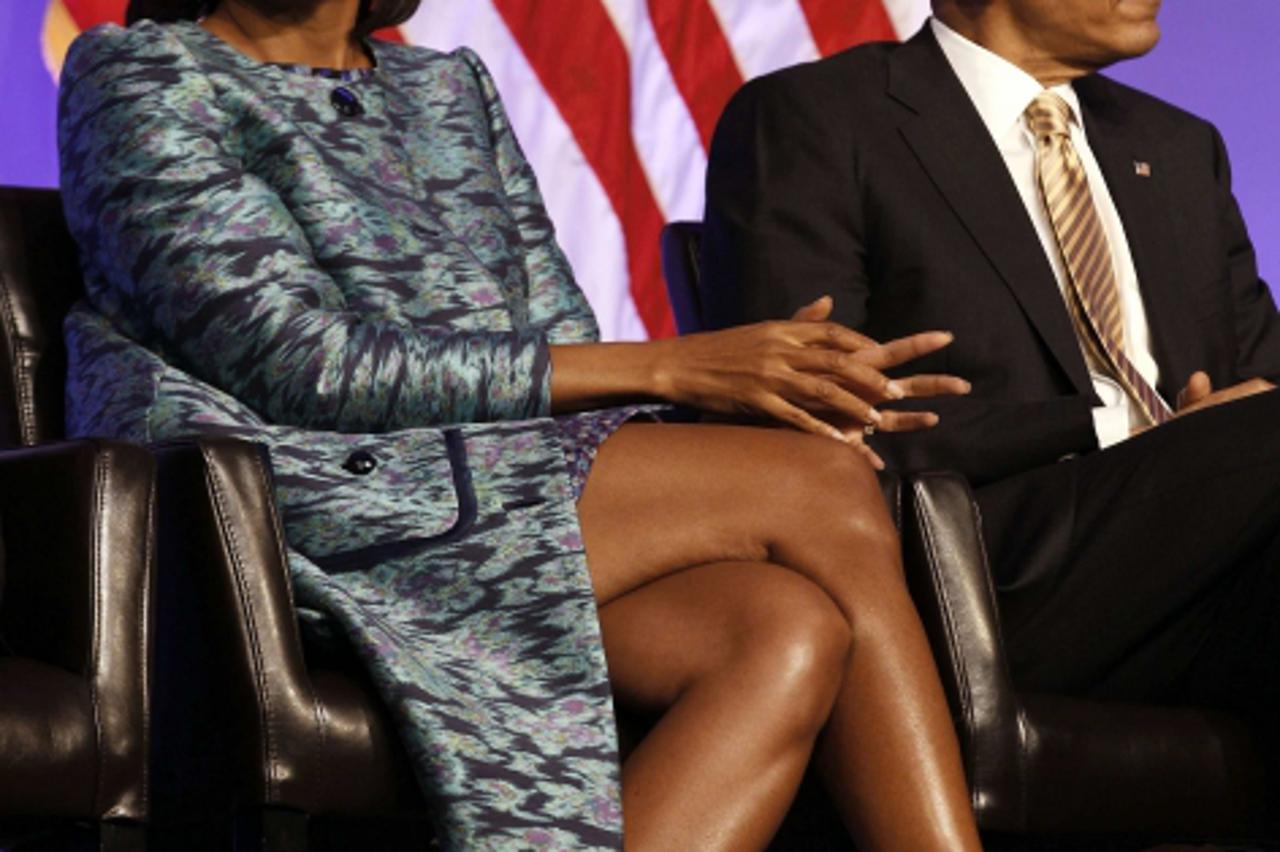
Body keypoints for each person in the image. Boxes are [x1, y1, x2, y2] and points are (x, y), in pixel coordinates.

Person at [58, 0, 985, 849]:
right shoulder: (139, 75)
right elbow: (304, 366)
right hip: (288, 496)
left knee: (779, 630)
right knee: (817, 482)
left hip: (499, 479)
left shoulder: (447, 84)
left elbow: (557, 339)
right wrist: (679, 365)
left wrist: (722, 394)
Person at [702, 0, 1280, 779]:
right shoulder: (817, 117)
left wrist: (1222, 437)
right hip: (987, 568)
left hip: (1214, 562)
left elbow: (1262, 380)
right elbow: (808, 429)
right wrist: (1133, 431)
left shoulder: (1178, 146)